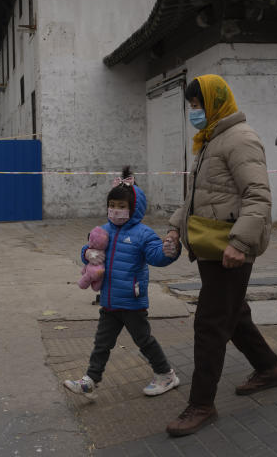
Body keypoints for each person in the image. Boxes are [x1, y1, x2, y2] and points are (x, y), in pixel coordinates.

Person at [163, 75, 277, 437]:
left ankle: (201, 404)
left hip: (229, 246)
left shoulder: (240, 139)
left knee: (210, 321)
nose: (193, 113)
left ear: (216, 102)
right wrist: (175, 225)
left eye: (197, 105)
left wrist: (241, 243)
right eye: (191, 106)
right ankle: (269, 368)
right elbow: (198, 196)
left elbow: (258, 196)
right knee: (234, 313)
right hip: (211, 243)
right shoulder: (211, 140)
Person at [63, 167, 181, 400]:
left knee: (143, 340)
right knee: (102, 343)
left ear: (134, 208)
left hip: (132, 300)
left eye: (121, 206)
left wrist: (170, 251)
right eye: (112, 205)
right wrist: (86, 253)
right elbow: (90, 249)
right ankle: (91, 380)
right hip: (108, 300)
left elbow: (157, 256)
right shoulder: (103, 230)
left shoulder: (143, 234)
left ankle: (166, 375)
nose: (115, 210)